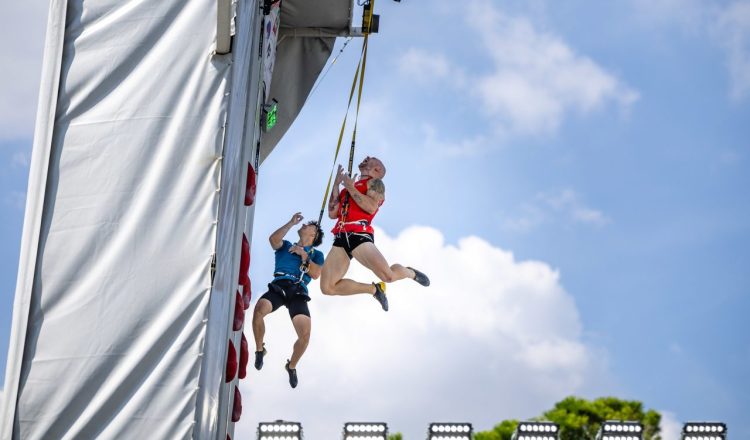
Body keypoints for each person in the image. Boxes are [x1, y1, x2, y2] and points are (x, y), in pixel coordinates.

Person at [320, 156, 429, 311]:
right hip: (341, 236)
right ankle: (375, 290)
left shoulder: (375, 184)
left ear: (377, 169)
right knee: (328, 287)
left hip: (359, 235)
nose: (366, 158)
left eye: (371, 159)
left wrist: (351, 187)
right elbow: (333, 213)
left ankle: (410, 272)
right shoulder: (348, 187)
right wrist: (337, 185)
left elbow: (371, 207)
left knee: (388, 276)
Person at [252, 212, 325, 389]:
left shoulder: (316, 254)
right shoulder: (285, 246)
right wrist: (291, 223)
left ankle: (291, 366)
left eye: (308, 225)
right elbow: (273, 239)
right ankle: (260, 349)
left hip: (297, 291)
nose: (304, 225)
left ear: (312, 235)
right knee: (259, 311)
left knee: (305, 336)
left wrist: (303, 254)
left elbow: (315, 274)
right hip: (280, 286)